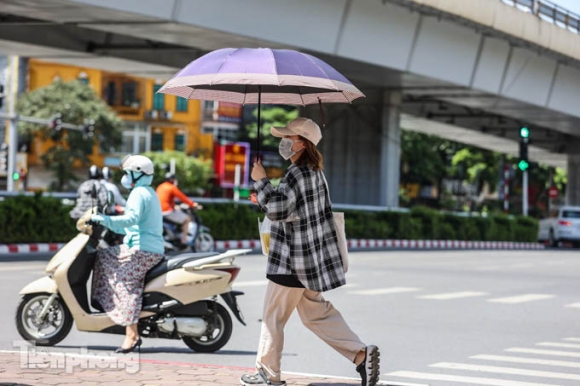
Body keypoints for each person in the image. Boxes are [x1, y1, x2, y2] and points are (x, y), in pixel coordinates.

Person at [241, 117, 380, 386]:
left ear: (302, 144)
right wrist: (264, 197)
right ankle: (361, 354)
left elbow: (279, 210)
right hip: (308, 261)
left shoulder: (296, 174)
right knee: (316, 314)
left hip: (291, 261)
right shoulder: (313, 173)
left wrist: (261, 182)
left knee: (273, 317)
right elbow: (290, 210)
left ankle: (267, 374)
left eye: (288, 139)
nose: (284, 143)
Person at [89, 155, 165, 353]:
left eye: (126, 172)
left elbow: (131, 219)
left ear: (137, 173)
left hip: (143, 250)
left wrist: (103, 218)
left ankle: (132, 335)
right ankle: (107, 305)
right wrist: (108, 222)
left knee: (124, 284)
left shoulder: (139, 193)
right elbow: (132, 228)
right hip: (143, 246)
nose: (124, 177)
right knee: (103, 256)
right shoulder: (147, 191)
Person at [156, 172, 199, 245]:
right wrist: (193, 204)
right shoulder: (172, 187)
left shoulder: (160, 186)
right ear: (172, 179)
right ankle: (184, 239)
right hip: (167, 211)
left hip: (158, 211)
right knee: (187, 219)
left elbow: (165, 200)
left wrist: (174, 206)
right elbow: (182, 197)